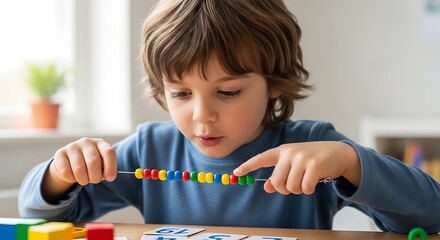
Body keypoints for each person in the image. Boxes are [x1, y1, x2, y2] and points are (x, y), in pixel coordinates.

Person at [19, 0, 440, 233]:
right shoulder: (150, 149)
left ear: (274, 82)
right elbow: (38, 218)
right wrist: (60, 175)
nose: (202, 115)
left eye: (228, 91)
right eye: (180, 93)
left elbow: (431, 213)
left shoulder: (314, 147)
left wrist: (351, 163)